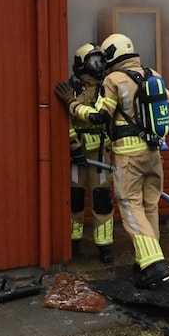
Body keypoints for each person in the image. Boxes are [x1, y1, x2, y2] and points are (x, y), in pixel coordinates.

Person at [57, 33, 169, 288]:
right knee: (149, 207)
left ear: (111, 56)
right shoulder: (153, 74)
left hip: (127, 157)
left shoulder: (114, 79)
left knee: (131, 208)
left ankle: (154, 265)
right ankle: (145, 261)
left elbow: (100, 116)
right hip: (154, 154)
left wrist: (72, 105)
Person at [63, 44, 114, 263]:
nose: (100, 66)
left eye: (101, 61)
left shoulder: (106, 87)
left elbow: (104, 117)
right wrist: (73, 147)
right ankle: (73, 242)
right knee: (74, 198)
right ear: (82, 63)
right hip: (77, 155)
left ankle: (104, 246)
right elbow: (65, 121)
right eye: (95, 61)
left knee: (102, 199)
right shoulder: (71, 89)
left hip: (100, 155)